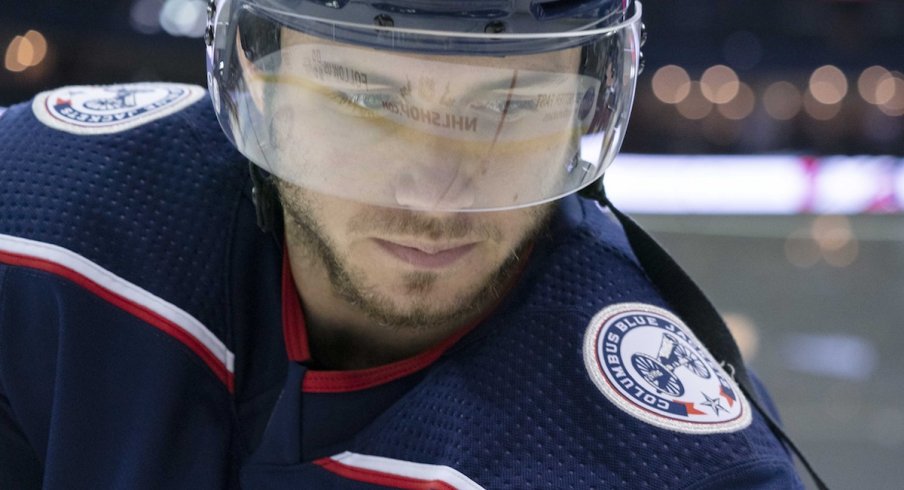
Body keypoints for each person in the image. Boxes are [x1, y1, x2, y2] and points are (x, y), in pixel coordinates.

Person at [0, 0, 812, 488]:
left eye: (511, 107)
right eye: (364, 98)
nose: (432, 189)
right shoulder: (40, 226)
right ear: (253, 73)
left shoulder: (678, 465)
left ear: (585, 108)